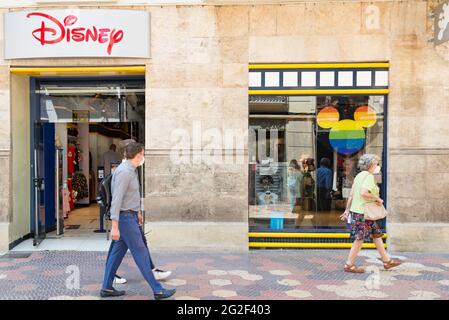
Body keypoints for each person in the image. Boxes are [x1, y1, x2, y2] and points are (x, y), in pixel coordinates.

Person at [100, 142, 176, 299]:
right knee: (141, 254)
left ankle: (106, 287)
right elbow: (117, 200)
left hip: (130, 216)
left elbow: (130, 195)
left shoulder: (130, 170)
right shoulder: (124, 172)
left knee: (116, 254)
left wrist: (138, 212)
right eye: (143, 153)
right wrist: (114, 226)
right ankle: (158, 290)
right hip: (125, 220)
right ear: (138, 155)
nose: (144, 156)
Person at [340, 154, 402, 273]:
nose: (377, 165)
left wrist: (347, 210)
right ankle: (349, 265)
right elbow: (364, 193)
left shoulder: (358, 176)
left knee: (376, 235)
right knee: (359, 239)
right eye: (376, 163)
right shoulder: (368, 176)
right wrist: (377, 199)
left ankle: (387, 261)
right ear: (370, 165)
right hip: (363, 213)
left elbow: (352, 195)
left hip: (360, 213)